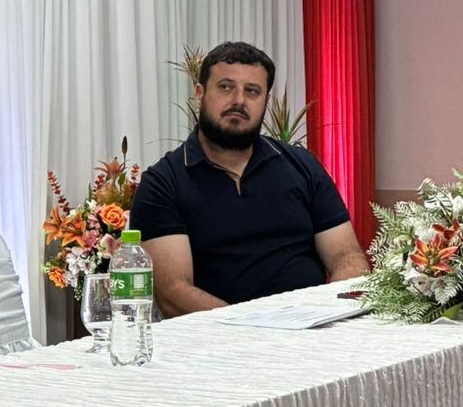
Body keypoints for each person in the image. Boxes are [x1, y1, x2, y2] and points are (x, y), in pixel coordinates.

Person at [131, 40, 368, 315]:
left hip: (312, 327)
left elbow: (348, 258)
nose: (239, 101)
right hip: (219, 336)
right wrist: (252, 328)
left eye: (252, 91)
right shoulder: (163, 184)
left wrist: (329, 313)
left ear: (265, 100)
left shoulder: (302, 166)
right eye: (226, 87)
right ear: (199, 93)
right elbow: (173, 293)